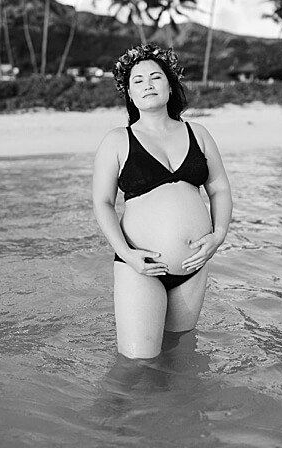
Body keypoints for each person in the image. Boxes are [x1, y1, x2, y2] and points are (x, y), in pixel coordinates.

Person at [91, 44, 232, 360]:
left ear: (170, 86)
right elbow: (102, 202)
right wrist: (126, 254)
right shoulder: (117, 140)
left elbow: (220, 188)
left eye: (156, 77)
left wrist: (218, 235)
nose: (148, 85)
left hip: (193, 266)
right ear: (129, 93)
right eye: (138, 81)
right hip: (139, 266)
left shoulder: (199, 133)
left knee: (180, 356)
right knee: (136, 367)